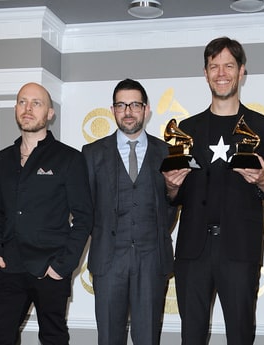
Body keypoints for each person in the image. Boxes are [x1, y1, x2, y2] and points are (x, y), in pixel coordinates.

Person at [162, 37, 264, 345]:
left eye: (228, 65)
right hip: (192, 252)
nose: (221, 73)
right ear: (205, 73)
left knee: (241, 336)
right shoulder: (185, 129)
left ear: (242, 72)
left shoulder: (262, 126)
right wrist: (171, 187)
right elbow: (169, 196)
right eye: (214, 66)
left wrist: (261, 180)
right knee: (191, 337)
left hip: (240, 251)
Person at [0, 82, 93, 345]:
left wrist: (62, 266)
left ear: (50, 113)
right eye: (22, 102)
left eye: (36, 103)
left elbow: (84, 217)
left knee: (54, 339)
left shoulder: (69, 158)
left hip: (50, 268)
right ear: (15, 109)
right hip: (9, 268)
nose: (28, 108)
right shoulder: (2, 159)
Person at [82, 78, 178, 345]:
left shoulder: (168, 152)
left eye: (135, 104)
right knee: (109, 338)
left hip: (151, 260)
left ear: (146, 110)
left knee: (148, 338)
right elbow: (85, 208)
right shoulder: (91, 154)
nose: (128, 111)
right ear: (112, 110)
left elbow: (172, 206)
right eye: (121, 105)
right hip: (108, 261)